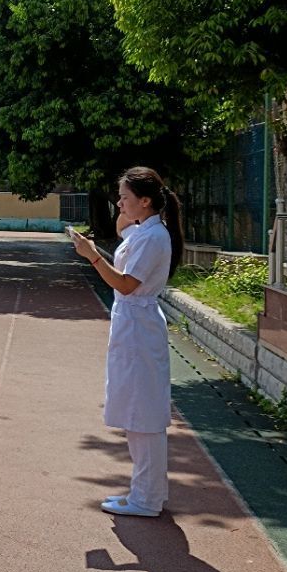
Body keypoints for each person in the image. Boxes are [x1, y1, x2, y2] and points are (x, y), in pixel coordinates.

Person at [71, 166, 183, 519]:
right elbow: (122, 229)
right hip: (132, 325)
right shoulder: (143, 231)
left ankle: (147, 499)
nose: (118, 204)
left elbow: (125, 284)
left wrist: (92, 255)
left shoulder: (153, 238)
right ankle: (144, 492)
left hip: (139, 327)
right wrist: (125, 213)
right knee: (135, 411)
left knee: (143, 414)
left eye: (124, 197)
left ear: (145, 201)